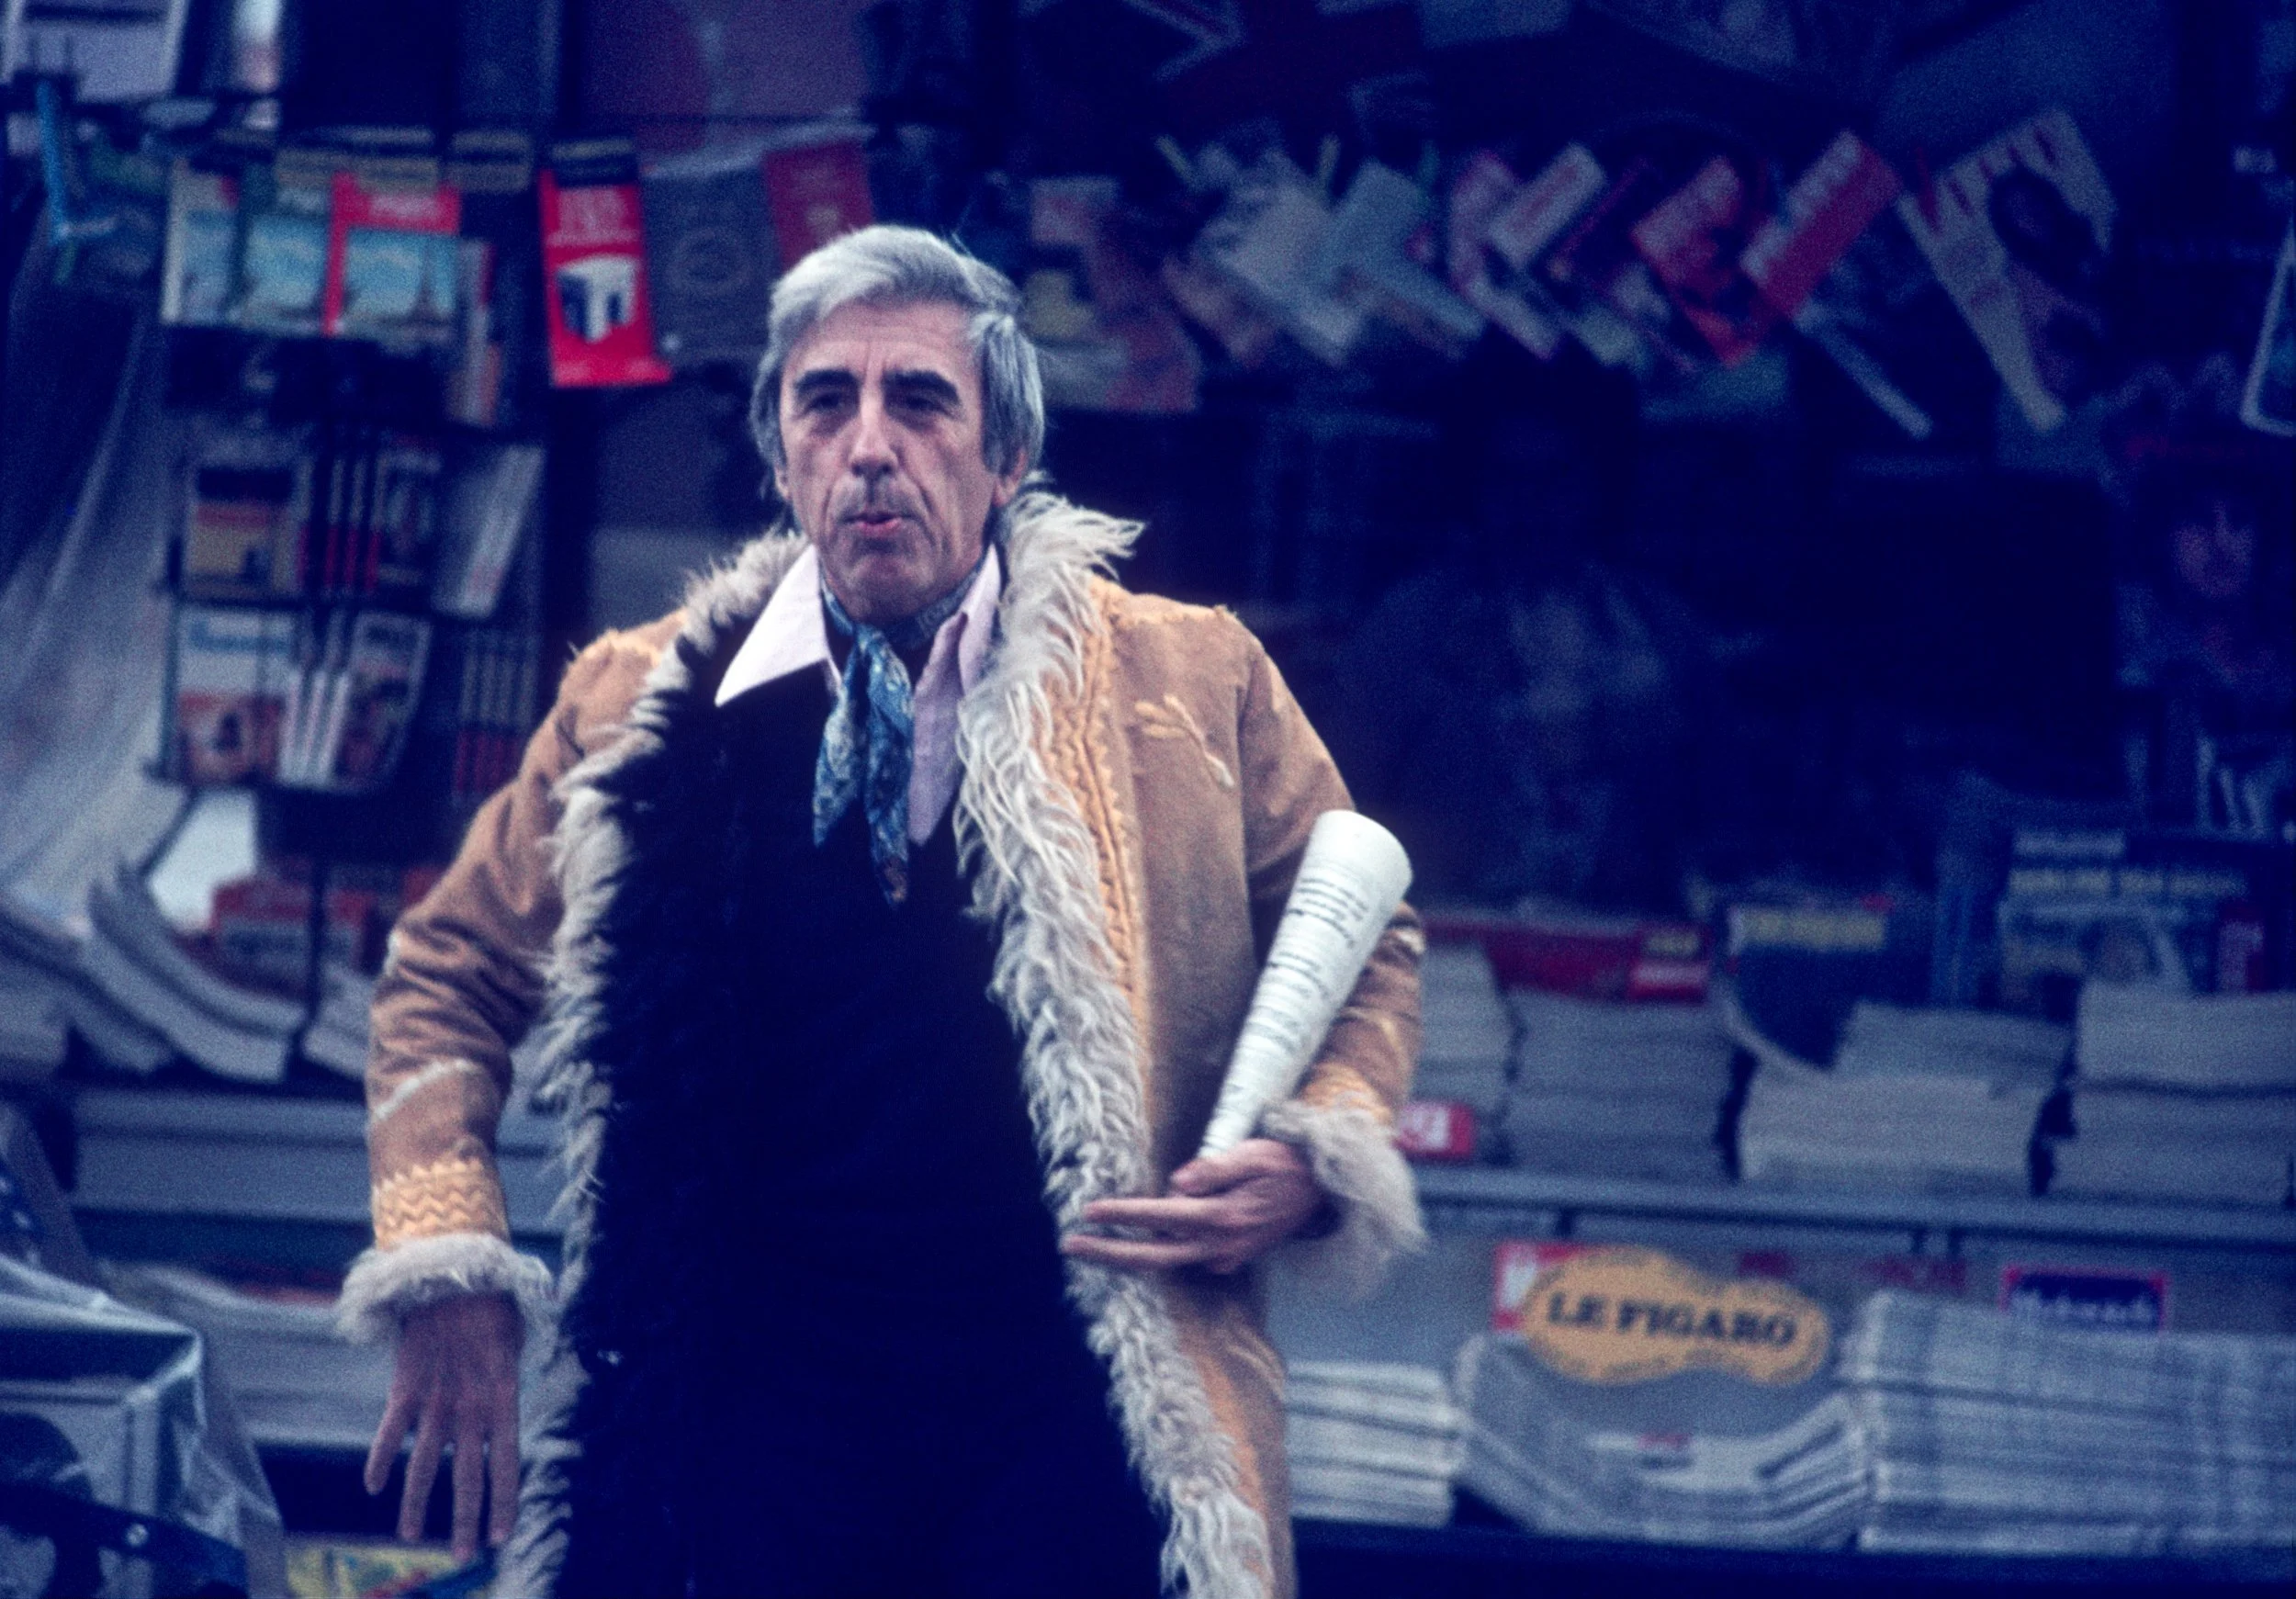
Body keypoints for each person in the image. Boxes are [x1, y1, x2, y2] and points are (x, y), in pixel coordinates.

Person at [340, 225, 1424, 1599]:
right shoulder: (636, 705)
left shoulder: (1184, 683)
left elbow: (1370, 942)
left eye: (920, 401)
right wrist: (448, 1261)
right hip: (757, 1418)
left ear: (1006, 457)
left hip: (1070, 1415)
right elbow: (448, 971)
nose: (870, 446)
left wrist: (1309, 1155)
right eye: (825, 402)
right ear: (782, 456)